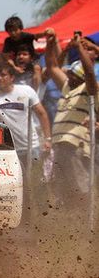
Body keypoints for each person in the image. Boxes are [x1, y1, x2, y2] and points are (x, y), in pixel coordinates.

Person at [45, 30, 99, 209]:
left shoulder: (89, 90)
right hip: (60, 145)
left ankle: (88, 226)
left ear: (81, 77)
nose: (69, 78)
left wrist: (79, 48)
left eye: (73, 76)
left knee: (81, 189)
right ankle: (69, 225)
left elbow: (90, 73)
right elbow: (52, 67)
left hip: (76, 146)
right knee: (62, 191)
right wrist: (50, 43)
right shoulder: (68, 88)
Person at [0, 62, 52, 174]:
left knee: (35, 183)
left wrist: (48, 139)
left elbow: (42, 114)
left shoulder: (26, 90)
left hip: (31, 147)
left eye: (3, 75)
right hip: (9, 151)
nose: (0, 78)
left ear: (12, 77)